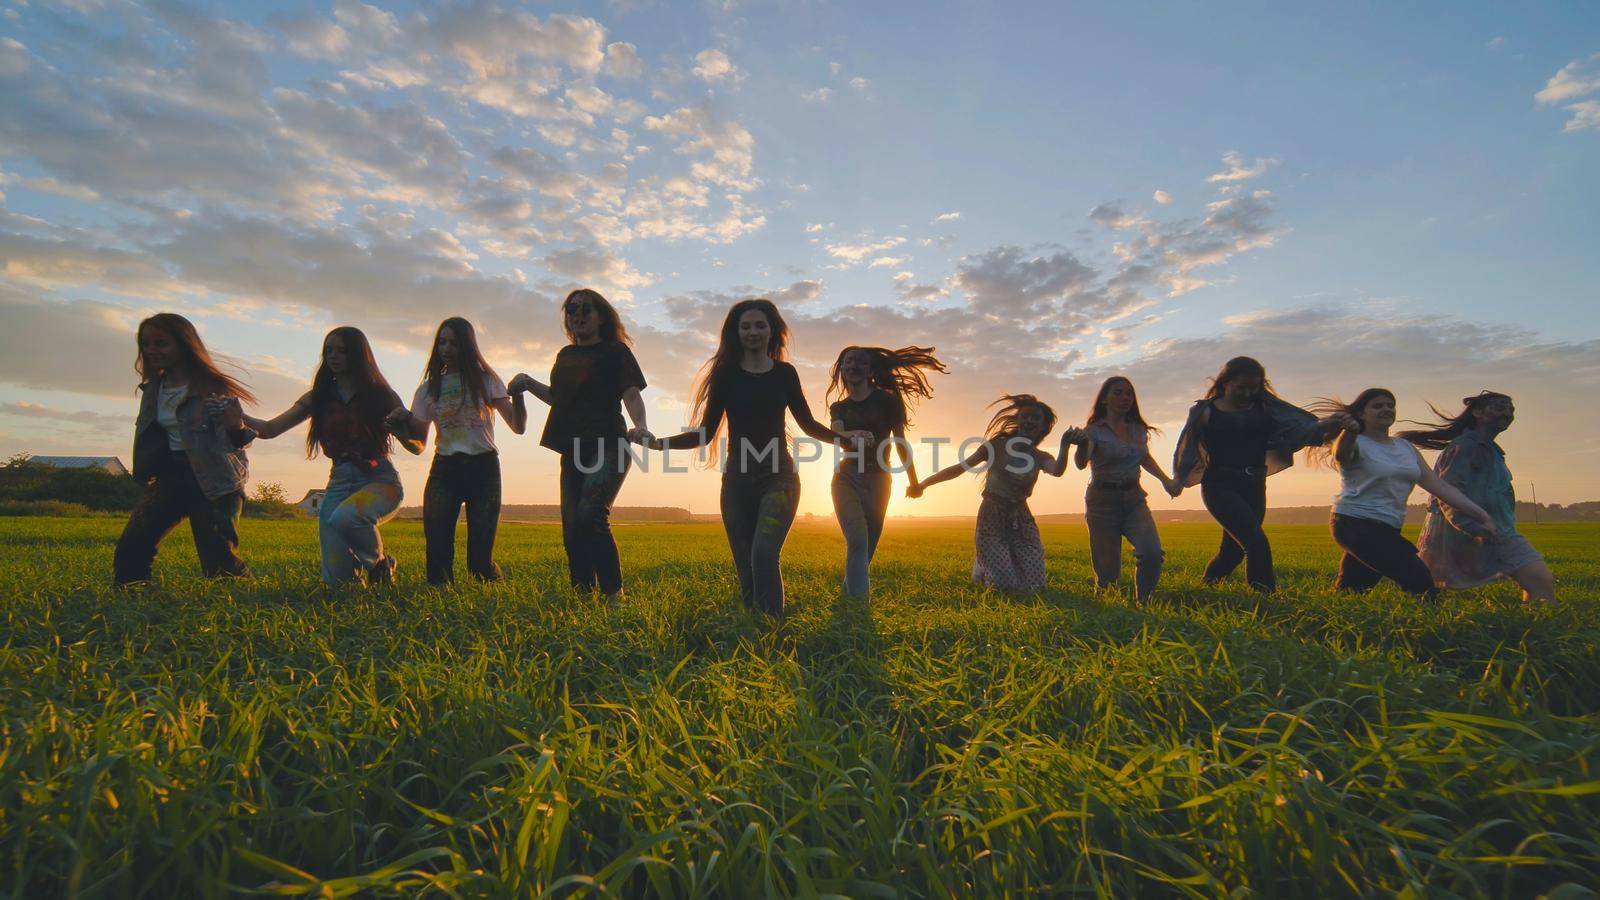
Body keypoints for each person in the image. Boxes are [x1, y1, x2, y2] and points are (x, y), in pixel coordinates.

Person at [647, 299, 842, 618]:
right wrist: (658, 444)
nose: (753, 331)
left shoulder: (785, 374)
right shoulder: (726, 376)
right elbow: (705, 433)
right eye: (746, 326)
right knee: (745, 565)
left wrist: (846, 440)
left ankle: (772, 631)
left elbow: (807, 424)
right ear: (735, 333)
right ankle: (754, 629)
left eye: (760, 325)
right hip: (737, 481)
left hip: (779, 477)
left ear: (772, 331)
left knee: (764, 553)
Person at [237, 327, 423, 585]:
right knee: (338, 583)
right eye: (328, 351)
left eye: (342, 351)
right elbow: (270, 430)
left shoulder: (381, 394)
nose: (334, 356)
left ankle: (379, 565)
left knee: (346, 517)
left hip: (380, 480)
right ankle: (366, 574)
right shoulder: (319, 397)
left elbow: (417, 446)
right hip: (339, 481)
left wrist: (402, 429)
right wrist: (236, 414)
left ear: (359, 356)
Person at [508, 289, 650, 602]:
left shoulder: (615, 352)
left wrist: (640, 425)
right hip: (572, 448)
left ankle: (614, 595)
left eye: (586, 309)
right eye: (571, 309)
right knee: (572, 529)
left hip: (610, 445)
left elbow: (631, 394)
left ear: (602, 316)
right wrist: (529, 384)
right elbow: (560, 400)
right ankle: (582, 597)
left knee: (591, 516)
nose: (577, 314)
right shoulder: (565, 356)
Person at [1172, 356, 1350, 594]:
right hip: (1219, 485)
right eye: (1240, 387)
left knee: (1232, 552)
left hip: (1255, 484)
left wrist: (1328, 425)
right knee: (1256, 543)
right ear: (1225, 383)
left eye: (1252, 388)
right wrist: (1178, 479)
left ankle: (1205, 588)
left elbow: (1302, 430)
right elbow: (1187, 446)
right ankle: (1265, 598)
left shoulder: (1267, 408)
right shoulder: (1205, 411)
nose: (1246, 394)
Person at [1309, 388, 1497, 598]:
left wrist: (1480, 514)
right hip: (1354, 523)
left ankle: (1324, 623)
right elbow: (1341, 455)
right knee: (1419, 579)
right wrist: (1349, 432)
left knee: (1353, 590)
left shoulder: (1405, 448)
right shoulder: (1356, 442)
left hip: (1388, 527)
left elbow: (1441, 487)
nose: (1386, 409)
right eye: (1378, 406)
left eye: (1390, 405)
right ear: (1362, 414)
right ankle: (1433, 626)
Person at [113, 313, 257, 586]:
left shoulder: (212, 387)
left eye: (161, 343)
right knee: (133, 545)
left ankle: (246, 603)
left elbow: (238, 441)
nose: (152, 350)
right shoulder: (154, 388)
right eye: (146, 344)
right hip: (171, 475)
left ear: (184, 345)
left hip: (215, 480)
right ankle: (132, 599)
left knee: (218, 561)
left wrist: (235, 425)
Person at [387, 317, 526, 584]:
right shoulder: (428, 389)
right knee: (437, 555)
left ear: (468, 346)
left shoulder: (487, 381)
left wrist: (518, 395)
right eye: (442, 342)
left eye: (454, 343)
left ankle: (494, 592)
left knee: (480, 563)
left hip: (483, 469)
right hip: (445, 469)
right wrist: (400, 428)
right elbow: (418, 445)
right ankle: (440, 607)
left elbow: (518, 426)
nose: (446, 348)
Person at [911, 394, 1081, 593]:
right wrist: (923, 484)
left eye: (1036, 418)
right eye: (1026, 416)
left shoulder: (1039, 457)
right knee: (1004, 586)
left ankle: (986, 564)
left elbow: (1057, 470)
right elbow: (960, 468)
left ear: (1043, 427)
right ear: (1018, 419)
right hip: (992, 514)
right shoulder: (996, 446)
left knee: (1035, 585)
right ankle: (983, 568)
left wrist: (1065, 446)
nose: (1030, 421)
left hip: (1021, 517)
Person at [1398, 391, 1556, 603]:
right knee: (1430, 588)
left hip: (1497, 528)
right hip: (1465, 531)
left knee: (1539, 579)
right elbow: (1446, 490)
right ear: (1478, 413)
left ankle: (1537, 627)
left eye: (1511, 410)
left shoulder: (1491, 450)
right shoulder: (1463, 447)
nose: (1508, 414)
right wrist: (1471, 525)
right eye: (1500, 408)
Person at [825, 345, 946, 598]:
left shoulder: (887, 400)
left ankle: (847, 597)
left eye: (860, 362)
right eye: (847, 362)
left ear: (870, 369)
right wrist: (854, 434)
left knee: (867, 546)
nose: (853, 366)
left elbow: (900, 443)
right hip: (846, 478)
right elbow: (836, 435)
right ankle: (858, 608)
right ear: (842, 369)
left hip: (880, 479)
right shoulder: (839, 407)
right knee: (857, 539)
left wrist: (914, 482)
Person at [1071, 376, 1181, 603]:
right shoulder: (1093, 431)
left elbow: (1145, 458)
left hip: (1134, 500)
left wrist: (1165, 480)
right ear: (1104, 399)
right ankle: (1105, 617)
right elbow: (1081, 463)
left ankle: (1145, 604)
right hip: (1102, 502)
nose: (1125, 398)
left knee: (1151, 554)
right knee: (1107, 575)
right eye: (1118, 393)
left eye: (1128, 393)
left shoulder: (1138, 429)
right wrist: (1081, 444)